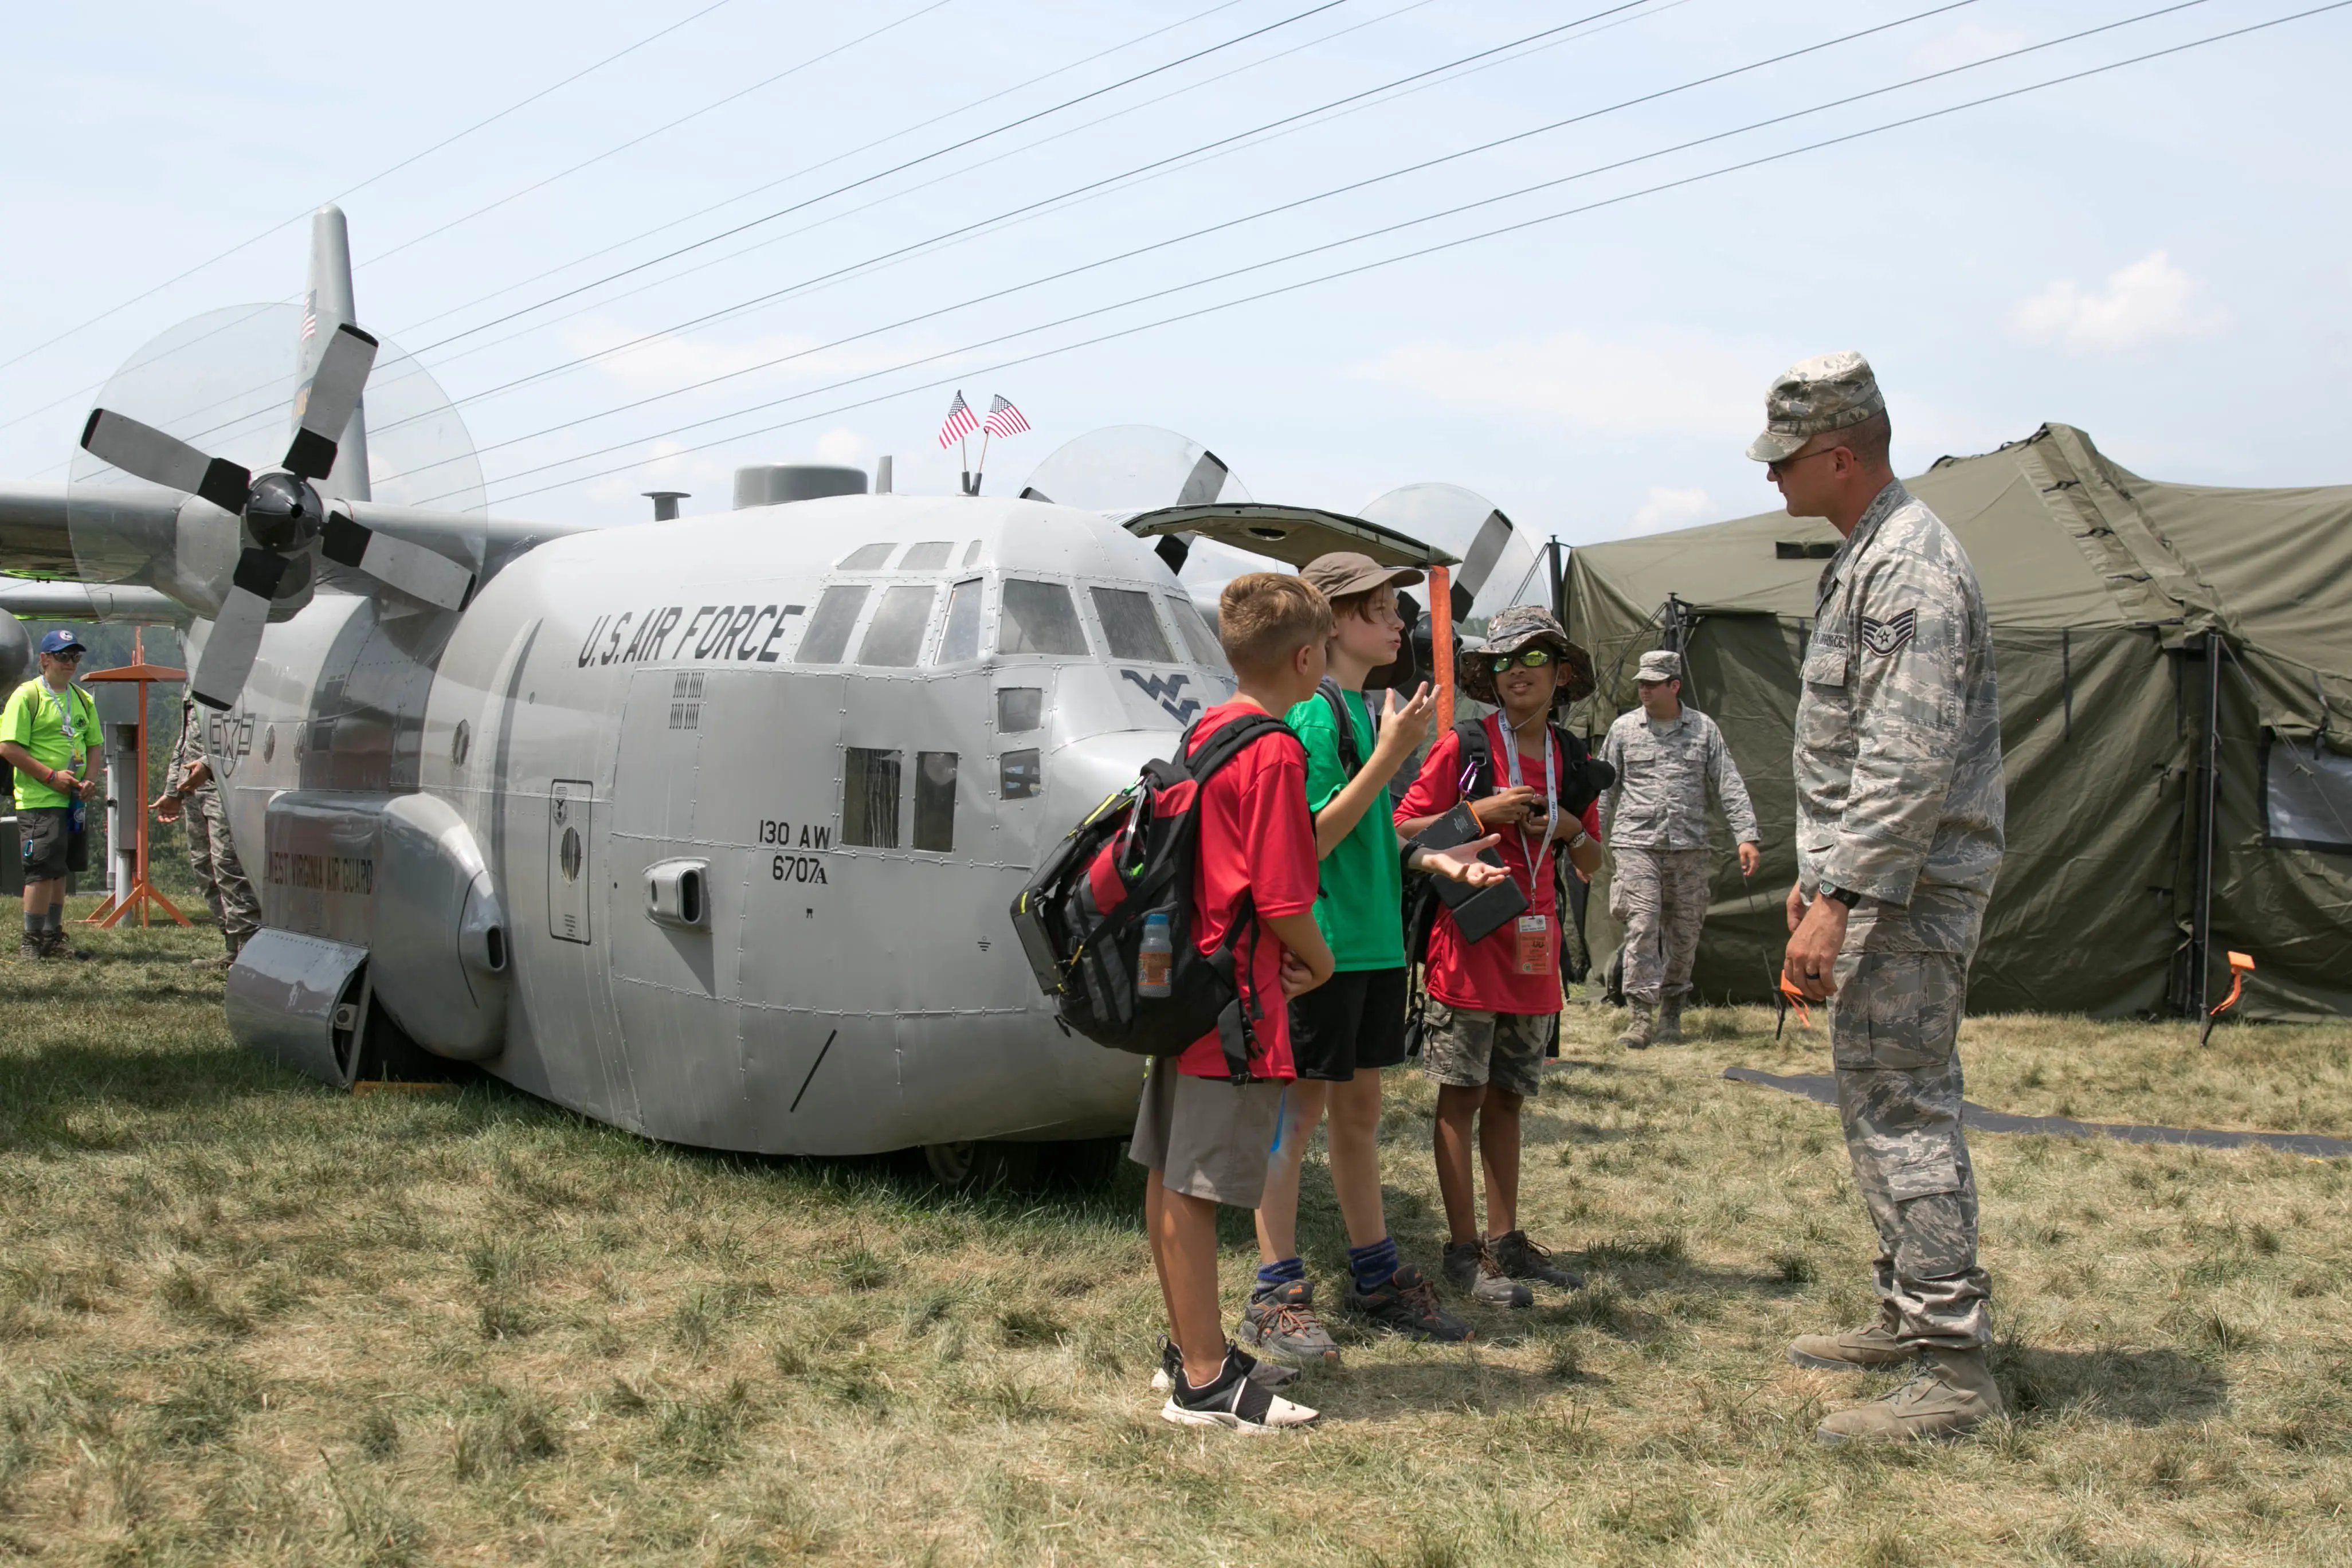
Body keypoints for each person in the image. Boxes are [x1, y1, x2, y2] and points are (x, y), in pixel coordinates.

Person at [1758, 351, 2006, 1444]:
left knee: (1904, 1110)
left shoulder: (1907, 564)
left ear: (1840, 455)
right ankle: (1911, 1317)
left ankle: (1952, 1368)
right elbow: (1856, 750)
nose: (1770, 478)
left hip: (1902, 897)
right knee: (1877, 1107)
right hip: (1875, 888)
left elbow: (1905, 758)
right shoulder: (1867, 554)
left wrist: (1840, 896)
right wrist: (1819, 879)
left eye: (1785, 458)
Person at [1242, 553, 1507, 1361]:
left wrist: (1434, 858)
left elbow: (1364, 836)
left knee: (1356, 1116)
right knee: (1295, 1119)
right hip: (1321, 952)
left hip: (1369, 949)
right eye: (1383, 609)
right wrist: (1395, 757)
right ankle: (1275, 1293)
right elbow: (1307, 838)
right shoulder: (1319, 719)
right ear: (1333, 622)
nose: (1401, 623)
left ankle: (1378, 1278)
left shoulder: (1361, 711)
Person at [1135, 571, 1333, 1432]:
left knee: (1169, 1171)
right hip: (1239, 1005)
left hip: (1184, 989)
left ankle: (1189, 1346)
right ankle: (1208, 1384)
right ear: (1305, 657)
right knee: (1200, 1184)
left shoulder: (1208, 729)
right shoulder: (1276, 750)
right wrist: (1318, 966)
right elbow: (1285, 900)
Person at [1395, 606, 1605, 1308]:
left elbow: (1593, 863)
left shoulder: (1573, 760)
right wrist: (1481, 815)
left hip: (1534, 955)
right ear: (1493, 676)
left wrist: (1570, 826)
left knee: (1509, 1101)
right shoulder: (1466, 746)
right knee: (1461, 1099)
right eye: (1508, 660)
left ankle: (1508, 1241)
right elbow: (1402, 827)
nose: (1520, 670)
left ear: (1562, 675)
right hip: (1469, 944)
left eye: (1536, 659)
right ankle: (1464, 1252)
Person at [1598, 648, 1761, 1049]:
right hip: (1636, 843)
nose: (1644, 690)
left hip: (1688, 847)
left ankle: (1672, 1012)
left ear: (1675, 686)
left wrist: (1746, 835)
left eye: (1653, 684)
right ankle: (1639, 1016)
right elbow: (1604, 789)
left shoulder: (1704, 730)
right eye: (1641, 683)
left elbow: (1729, 782)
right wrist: (1585, 839)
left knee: (1684, 933)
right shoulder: (1623, 730)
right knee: (1642, 924)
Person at [1, 630, 103, 961]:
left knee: (61, 870)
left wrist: (88, 780)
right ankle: (31, 942)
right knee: (41, 870)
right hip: (40, 799)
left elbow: (94, 745)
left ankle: (53, 937)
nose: (70, 663)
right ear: (44, 660)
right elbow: (8, 748)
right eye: (62, 656)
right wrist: (50, 776)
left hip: (72, 802)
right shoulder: (26, 696)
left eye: (75, 656)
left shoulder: (83, 699)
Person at [151, 693, 259, 969]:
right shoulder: (197, 674)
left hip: (225, 787)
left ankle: (252, 953)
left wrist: (210, 765)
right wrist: (173, 790)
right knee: (205, 867)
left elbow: (248, 724)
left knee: (228, 866)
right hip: (194, 789)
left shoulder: (238, 674)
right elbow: (185, 738)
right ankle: (232, 948)